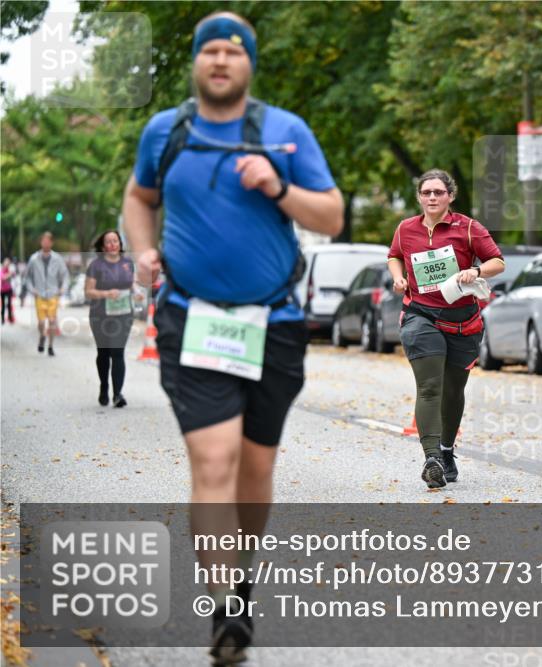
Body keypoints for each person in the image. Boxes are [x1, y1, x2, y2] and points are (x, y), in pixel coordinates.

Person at [121, 11, 343, 664]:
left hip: (274, 324)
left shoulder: (286, 132)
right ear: (196, 62)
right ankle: (225, 609)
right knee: (213, 461)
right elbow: (139, 197)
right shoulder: (165, 131)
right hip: (191, 319)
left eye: (233, 51)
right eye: (210, 50)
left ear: (249, 64)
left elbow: (332, 216)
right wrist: (143, 249)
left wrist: (277, 185)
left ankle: (241, 579)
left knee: (254, 468)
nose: (221, 60)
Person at [388, 169, 505, 488]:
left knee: (453, 391)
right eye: (426, 192)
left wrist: (475, 270)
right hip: (420, 315)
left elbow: (498, 262)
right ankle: (432, 458)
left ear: (450, 196)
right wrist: (398, 278)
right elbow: (394, 255)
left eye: (438, 192)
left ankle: (446, 450)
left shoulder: (468, 227)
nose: (432, 197)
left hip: (463, 321)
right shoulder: (406, 228)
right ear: (419, 197)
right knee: (430, 386)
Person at [84, 230, 135, 408]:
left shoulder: (128, 263)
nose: (113, 244)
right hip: (100, 315)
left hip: (124, 314)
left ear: (120, 244)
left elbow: (132, 285)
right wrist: (106, 294)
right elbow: (88, 291)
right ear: (103, 246)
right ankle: (104, 386)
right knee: (104, 353)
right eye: (109, 241)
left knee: (118, 352)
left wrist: (137, 293)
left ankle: (117, 394)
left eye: (116, 241)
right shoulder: (95, 265)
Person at [24, 231, 69, 356]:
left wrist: (63, 288)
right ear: (41, 242)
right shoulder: (34, 259)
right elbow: (27, 277)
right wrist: (32, 289)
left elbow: (65, 275)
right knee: (41, 322)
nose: (46, 243)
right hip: (39, 294)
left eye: (48, 241)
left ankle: (50, 346)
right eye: (44, 241)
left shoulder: (58, 259)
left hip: (53, 294)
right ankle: (42, 336)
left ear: (52, 243)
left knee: (52, 321)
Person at [1, 258, 15, 324]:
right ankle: (2, 319)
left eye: (8, 263)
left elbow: (13, 275)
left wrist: (10, 274)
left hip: (9, 289)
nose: (7, 264)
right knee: (3, 305)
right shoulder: (1, 270)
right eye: (6, 263)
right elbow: (3, 278)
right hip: (2, 290)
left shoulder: (10, 270)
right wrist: (9, 275)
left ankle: (10, 318)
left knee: (9, 304)